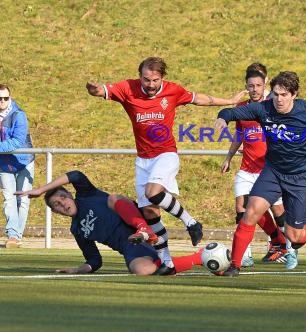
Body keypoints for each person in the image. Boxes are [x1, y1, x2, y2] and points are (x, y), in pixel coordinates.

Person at [86, 56, 245, 275]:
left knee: (153, 193)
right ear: (139, 76)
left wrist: (228, 101)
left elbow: (199, 99)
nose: (150, 85)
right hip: (143, 160)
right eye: (146, 79)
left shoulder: (173, 91)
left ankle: (191, 222)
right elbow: (101, 91)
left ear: (163, 78)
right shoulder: (127, 88)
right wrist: (93, 89)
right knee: (150, 214)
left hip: (165, 154)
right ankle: (167, 263)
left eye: (155, 80)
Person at [214, 71, 306, 277]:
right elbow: (233, 113)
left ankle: (303, 227)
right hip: (272, 171)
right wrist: (223, 117)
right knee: (250, 210)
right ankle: (235, 265)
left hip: (301, 176)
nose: (278, 99)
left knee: (295, 236)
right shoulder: (264, 108)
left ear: (294, 95)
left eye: (283, 95)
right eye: (276, 94)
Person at [15, 170, 203, 275]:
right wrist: (78, 269)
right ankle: (199, 258)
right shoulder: (77, 230)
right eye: (56, 205)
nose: (62, 204)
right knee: (142, 270)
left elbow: (75, 175)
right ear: (54, 211)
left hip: (141, 222)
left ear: (70, 194)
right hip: (131, 245)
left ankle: (145, 230)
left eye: (62, 198)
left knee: (113, 198)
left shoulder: (86, 194)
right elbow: (95, 260)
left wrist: (40, 190)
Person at [220, 63, 293, 268]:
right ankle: (244, 255)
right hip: (247, 168)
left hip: (269, 169)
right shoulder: (242, 108)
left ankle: (287, 247)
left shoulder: (273, 107)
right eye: (251, 86)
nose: (254, 89)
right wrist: (229, 157)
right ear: (246, 86)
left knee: (278, 212)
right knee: (242, 209)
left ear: (264, 85)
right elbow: (240, 134)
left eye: (258, 85)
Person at [0, 84, 34, 248]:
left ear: (10, 98)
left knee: (23, 199)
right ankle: (13, 235)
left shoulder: (19, 115)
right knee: (9, 198)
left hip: (23, 161)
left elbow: (17, 141)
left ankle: (16, 236)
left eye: (5, 98)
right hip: (3, 164)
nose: (2, 101)